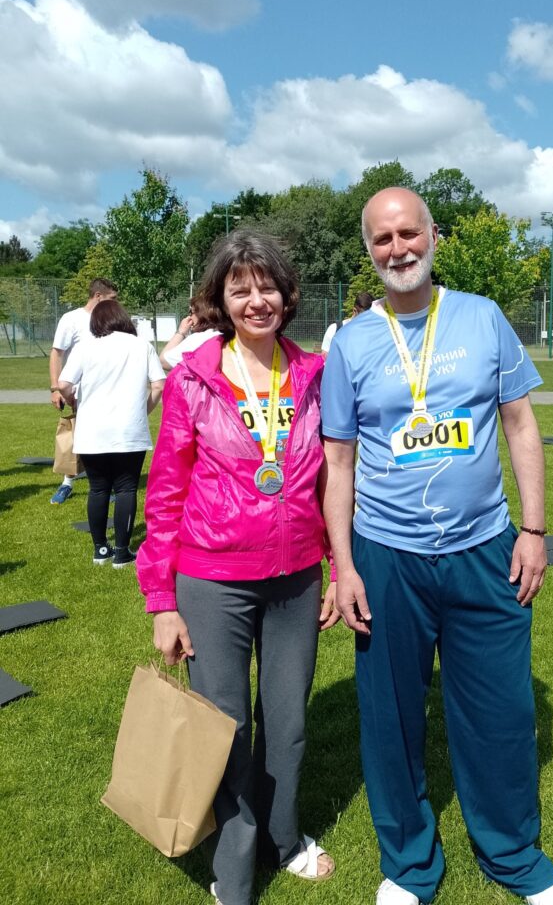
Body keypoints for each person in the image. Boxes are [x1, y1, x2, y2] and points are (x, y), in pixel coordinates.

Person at [321, 187, 553, 905]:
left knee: (501, 711)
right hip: (387, 553)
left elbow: (520, 425)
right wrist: (343, 567)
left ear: (433, 235)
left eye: (408, 233)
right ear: (369, 250)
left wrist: (534, 530)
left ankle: (515, 857)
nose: (398, 248)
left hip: (485, 548)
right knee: (392, 717)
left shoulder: (482, 316)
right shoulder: (351, 343)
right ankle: (409, 867)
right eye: (382, 238)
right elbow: (337, 461)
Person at [136, 230, 339, 905]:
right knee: (223, 729)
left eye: (268, 286)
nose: (257, 300)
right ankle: (234, 868)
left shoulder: (313, 375)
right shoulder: (194, 379)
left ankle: (283, 838)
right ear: (221, 300)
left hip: (296, 577)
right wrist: (162, 601)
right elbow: (165, 493)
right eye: (241, 288)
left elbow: (330, 478)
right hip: (212, 579)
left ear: (287, 294)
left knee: (288, 725)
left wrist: (334, 565)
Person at [58, 300, 165, 567]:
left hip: (92, 429)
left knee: (98, 488)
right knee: (126, 488)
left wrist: (72, 400)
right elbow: (158, 384)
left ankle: (100, 549)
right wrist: (144, 410)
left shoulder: (86, 346)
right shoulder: (141, 345)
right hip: (129, 429)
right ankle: (122, 551)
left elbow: (64, 383)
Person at [48, 277, 118, 503]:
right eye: (112, 298)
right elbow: (57, 353)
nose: (115, 303)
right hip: (78, 393)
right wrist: (55, 388)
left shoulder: (110, 320)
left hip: (106, 390)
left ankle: (108, 484)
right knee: (77, 437)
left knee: (106, 438)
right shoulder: (72, 319)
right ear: (98, 296)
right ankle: (67, 483)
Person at [159, 293, 221, 371]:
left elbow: (164, 362)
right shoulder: (228, 335)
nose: (189, 317)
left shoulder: (199, 339)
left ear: (201, 314)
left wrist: (181, 332)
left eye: (191, 312)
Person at [320, 291, 374, 358]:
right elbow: (324, 358)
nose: (367, 322)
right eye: (364, 318)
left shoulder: (373, 334)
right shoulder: (334, 329)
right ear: (354, 311)